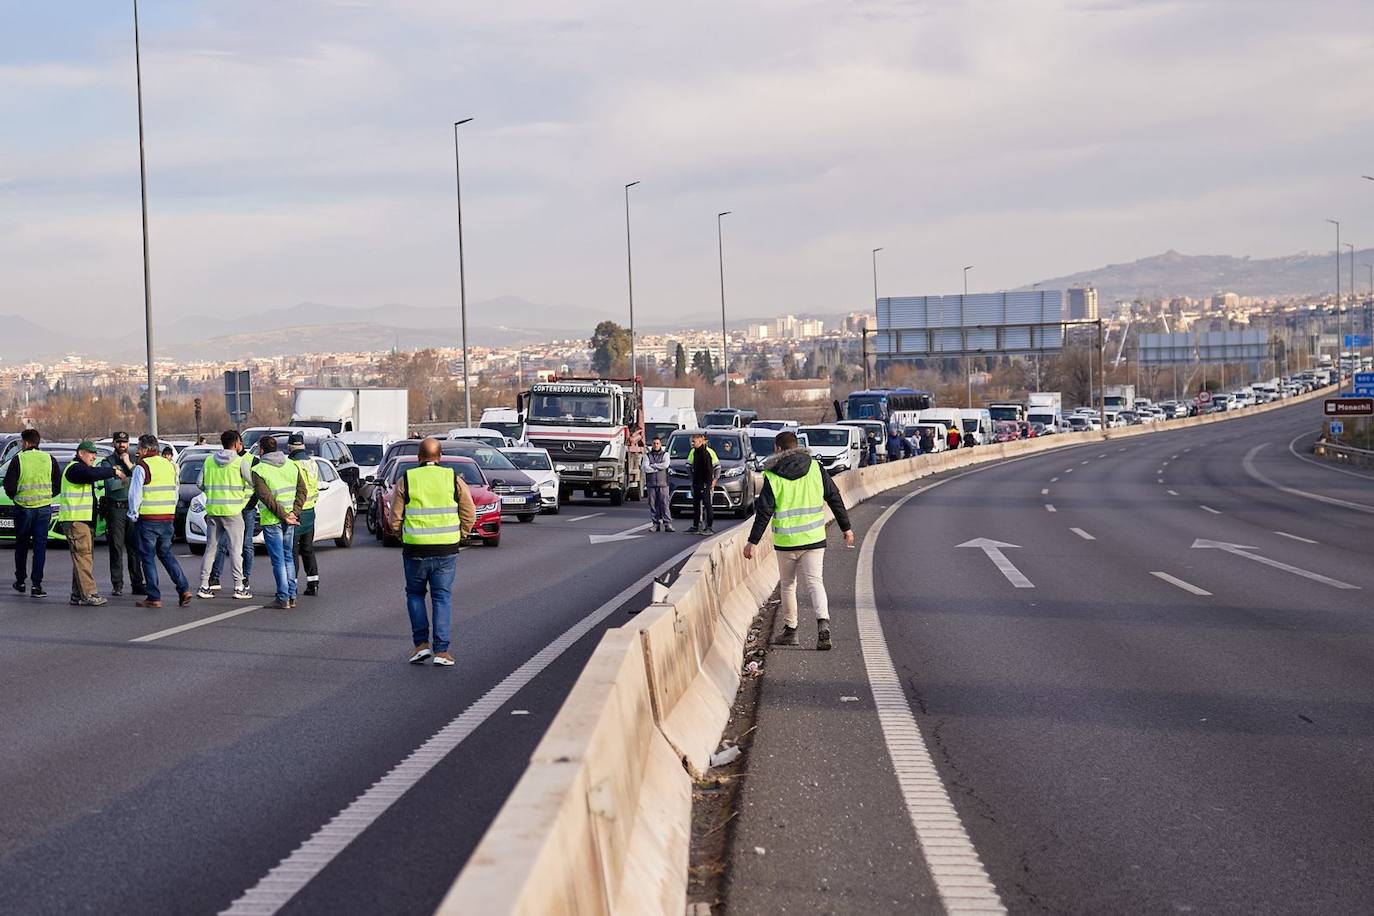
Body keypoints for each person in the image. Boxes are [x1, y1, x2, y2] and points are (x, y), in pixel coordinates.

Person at [743, 430, 853, 651]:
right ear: (797, 445)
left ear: (778, 449)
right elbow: (834, 497)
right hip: (813, 538)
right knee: (815, 582)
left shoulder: (772, 475)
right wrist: (846, 527)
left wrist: (752, 542)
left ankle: (791, 631)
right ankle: (823, 627)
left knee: (788, 585)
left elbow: (764, 512)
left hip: (786, 541)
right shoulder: (815, 468)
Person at [388, 437, 475, 667]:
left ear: (419, 457)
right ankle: (442, 651)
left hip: (415, 548)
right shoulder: (452, 478)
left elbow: (394, 517)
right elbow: (469, 510)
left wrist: (401, 535)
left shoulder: (406, 479)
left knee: (415, 595)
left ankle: (420, 646)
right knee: (441, 597)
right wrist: (462, 534)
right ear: (440, 457)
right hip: (446, 548)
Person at [128, 434, 193, 608]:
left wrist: (133, 515)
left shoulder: (142, 467)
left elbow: (135, 494)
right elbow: (175, 491)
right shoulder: (170, 465)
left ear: (145, 449)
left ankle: (154, 597)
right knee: (166, 554)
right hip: (167, 518)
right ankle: (184, 588)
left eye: (139, 449)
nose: (137, 452)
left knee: (147, 558)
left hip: (148, 519)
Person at [59, 441, 123, 606]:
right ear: (81, 453)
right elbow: (92, 474)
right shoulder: (75, 469)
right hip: (76, 520)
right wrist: (113, 471)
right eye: (91, 453)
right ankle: (89, 593)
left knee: (81, 558)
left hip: (82, 520)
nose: (94, 456)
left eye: (95, 453)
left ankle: (77, 594)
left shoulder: (80, 469)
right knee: (83, 557)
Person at [195, 430, 255, 600]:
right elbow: (252, 483)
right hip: (234, 512)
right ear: (236, 443)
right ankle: (238, 586)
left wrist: (213, 492)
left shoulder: (209, 460)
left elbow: (200, 483)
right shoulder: (240, 461)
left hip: (213, 511)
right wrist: (243, 497)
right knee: (236, 550)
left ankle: (204, 585)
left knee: (211, 549)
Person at [3, 428, 60, 598]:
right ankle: (37, 585)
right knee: (39, 547)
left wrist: (16, 497)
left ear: (26, 442)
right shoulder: (49, 459)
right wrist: (47, 496)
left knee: (21, 546)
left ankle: (20, 581)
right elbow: (57, 483)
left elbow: (9, 485)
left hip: (23, 508)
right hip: (43, 508)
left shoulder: (18, 459)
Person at [251, 435, 306, 610]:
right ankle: (292, 595)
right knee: (289, 556)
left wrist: (283, 515)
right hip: (290, 519)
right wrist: (293, 513)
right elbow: (302, 491)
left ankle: (283, 597)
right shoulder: (291, 465)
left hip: (273, 520)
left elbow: (265, 497)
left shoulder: (259, 470)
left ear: (261, 450)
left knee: (278, 560)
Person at [100, 432, 145, 596]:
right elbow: (111, 485)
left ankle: (137, 583)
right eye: (119, 442)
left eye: (124, 442)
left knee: (135, 549)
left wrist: (125, 475)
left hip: (132, 508)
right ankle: (117, 584)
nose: (122, 445)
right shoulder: (107, 462)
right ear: (113, 444)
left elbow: (142, 482)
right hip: (115, 509)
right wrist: (131, 478)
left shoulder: (134, 461)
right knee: (116, 548)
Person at [288, 433, 321, 596]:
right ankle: (313, 583)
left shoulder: (291, 464)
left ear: (289, 447)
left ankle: (291, 584)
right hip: (310, 510)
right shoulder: (312, 463)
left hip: (296, 510)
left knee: (293, 549)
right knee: (308, 548)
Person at [686, 432, 719, 535]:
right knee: (696, 505)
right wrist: (693, 481)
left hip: (704, 483)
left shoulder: (706, 454)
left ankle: (709, 527)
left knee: (707, 505)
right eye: (692, 441)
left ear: (701, 442)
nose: (692, 443)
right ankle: (696, 526)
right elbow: (690, 466)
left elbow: (709, 470)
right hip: (696, 483)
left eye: (694, 441)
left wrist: (708, 483)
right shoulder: (695, 452)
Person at [641, 435, 673, 532]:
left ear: (660, 444)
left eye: (657, 443)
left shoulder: (665, 455)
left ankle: (668, 524)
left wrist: (653, 466)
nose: (655, 445)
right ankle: (656, 524)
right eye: (654, 443)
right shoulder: (647, 455)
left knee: (664, 504)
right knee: (653, 504)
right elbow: (645, 468)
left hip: (663, 484)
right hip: (651, 484)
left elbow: (665, 465)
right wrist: (657, 468)